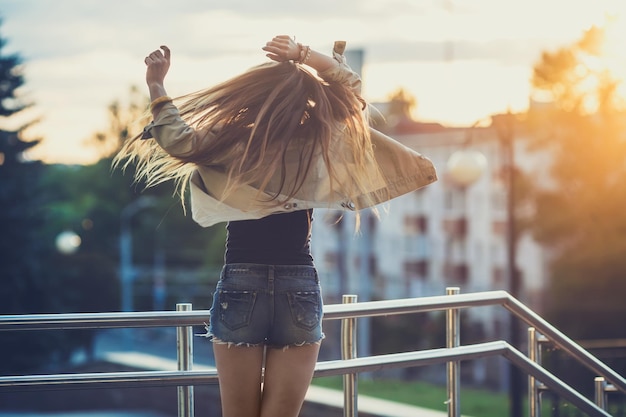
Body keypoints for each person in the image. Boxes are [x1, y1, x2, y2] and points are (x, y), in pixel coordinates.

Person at [115, 35, 436, 417]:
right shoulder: (319, 141)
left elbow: (178, 140)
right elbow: (351, 93)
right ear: (305, 100)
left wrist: (157, 84)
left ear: (250, 97)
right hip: (297, 287)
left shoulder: (235, 141)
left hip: (241, 283)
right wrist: (305, 55)